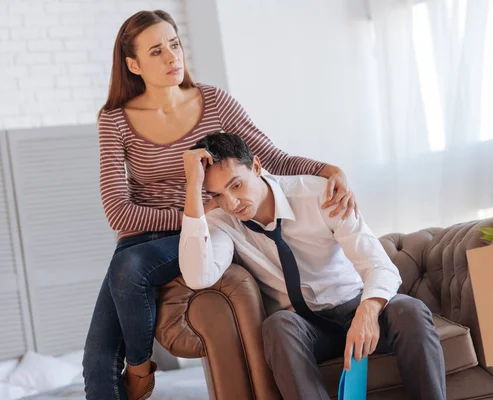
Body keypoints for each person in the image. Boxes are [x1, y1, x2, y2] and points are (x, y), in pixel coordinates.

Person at [83, 10, 358, 400]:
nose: (172, 57)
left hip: (204, 231)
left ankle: (141, 368)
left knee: (130, 266)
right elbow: (119, 212)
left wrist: (328, 169)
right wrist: (196, 209)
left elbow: (269, 158)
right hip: (144, 237)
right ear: (133, 64)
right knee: (95, 364)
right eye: (156, 51)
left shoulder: (213, 101)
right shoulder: (115, 120)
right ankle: (135, 372)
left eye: (174, 45)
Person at [179, 132, 446, 400]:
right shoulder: (220, 221)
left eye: (236, 186)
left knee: (410, 310)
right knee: (278, 326)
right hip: (308, 330)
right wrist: (193, 187)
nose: (231, 203)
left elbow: (379, 264)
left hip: (355, 306)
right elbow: (199, 276)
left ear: (257, 167)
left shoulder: (319, 195)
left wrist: (368, 312)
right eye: (218, 195)